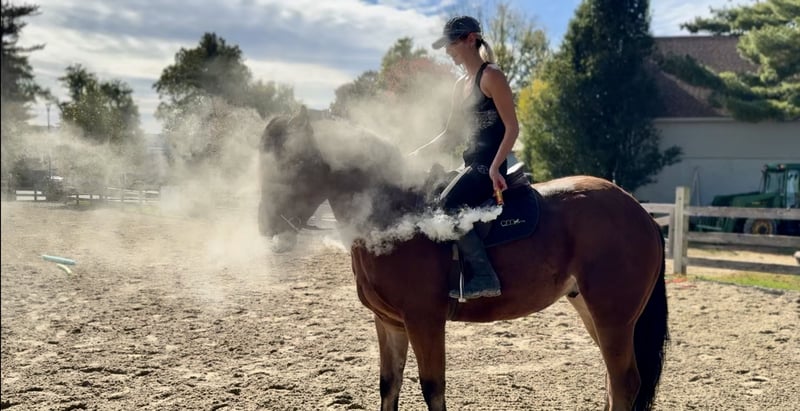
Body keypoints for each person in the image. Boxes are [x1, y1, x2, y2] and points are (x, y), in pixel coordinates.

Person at [412, 16, 519, 300]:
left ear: (471, 39)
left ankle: (484, 276)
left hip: (488, 166)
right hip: (470, 164)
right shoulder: (459, 84)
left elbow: (512, 128)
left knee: (448, 205)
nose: (448, 51)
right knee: (429, 193)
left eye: (451, 44)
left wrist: (495, 168)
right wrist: (417, 153)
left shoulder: (491, 76)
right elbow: (449, 134)